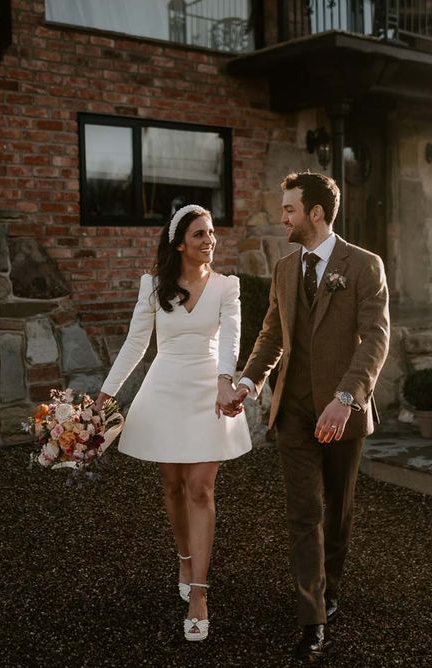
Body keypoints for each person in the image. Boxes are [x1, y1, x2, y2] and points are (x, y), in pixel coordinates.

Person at [231, 172, 390, 660]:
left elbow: (376, 339)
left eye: (289, 209)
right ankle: (312, 618)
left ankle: (330, 586)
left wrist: (346, 400)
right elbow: (271, 335)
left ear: (316, 213)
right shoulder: (283, 268)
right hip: (294, 411)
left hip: (341, 409)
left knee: (337, 511)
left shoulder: (363, 265)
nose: (283, 216)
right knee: (303, 512)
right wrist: (249, 380)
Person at [95, 204, 251, 642]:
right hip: (163, 388)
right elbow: (135, 345)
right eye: (200, 234)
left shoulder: (227, 286)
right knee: (173, 486)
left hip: (207, 391)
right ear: (179, 242)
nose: (210, 241)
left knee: (200, 488)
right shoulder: (153, 287)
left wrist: (225, 382)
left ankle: (199, 593)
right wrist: (105, 397)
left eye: (212, 233)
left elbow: (231, 340)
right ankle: (184, 555)